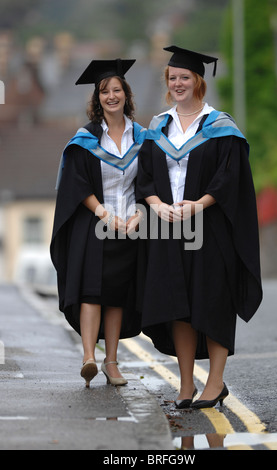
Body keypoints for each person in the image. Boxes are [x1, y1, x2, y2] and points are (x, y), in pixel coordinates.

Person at [136, 46, 263, 409]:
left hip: (209, 228)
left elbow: (229, 177)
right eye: (173, 78)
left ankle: (216, 383)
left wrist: (199, 204)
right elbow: (143, 178)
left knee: (212, 301)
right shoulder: (157, 127)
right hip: (167, 230)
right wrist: (157, 205)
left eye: (185, 78)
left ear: (198, 82)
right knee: (178, 304)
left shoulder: (221, 127)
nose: (178, 83)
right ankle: (187, 383)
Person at [50, 58, 146, 388]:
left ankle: (113, 362)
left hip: (130, 226)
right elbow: (77, 183)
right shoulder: (86, 139)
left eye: (117, 89)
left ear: (126, 95)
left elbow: (149, 183)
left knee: (116, 295)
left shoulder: (143, 137)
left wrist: (139, 214)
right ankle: (89, 357)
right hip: (96, 225)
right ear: (97, 98)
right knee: (92, 291)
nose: (111, 96)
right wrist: (105, 214)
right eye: (105, 91)